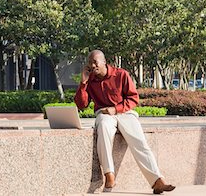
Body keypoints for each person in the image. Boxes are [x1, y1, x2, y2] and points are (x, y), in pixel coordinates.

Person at [74, 50, 175, 194]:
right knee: (103, 127)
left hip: (125, 112)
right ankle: (109, 175)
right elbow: (81, 105)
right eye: (90, 62)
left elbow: (133, 98)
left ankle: (157, 180)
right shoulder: (90, 80)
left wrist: (116, 109)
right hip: (104, 114)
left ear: (104, 62)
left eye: (95, 61)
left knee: (139, 140)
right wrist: (83, 82)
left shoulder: (121, 74)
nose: (92, 65)